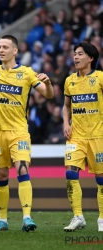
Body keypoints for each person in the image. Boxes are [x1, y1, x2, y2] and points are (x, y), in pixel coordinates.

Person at [0, 35, 53, 232]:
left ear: (15, 51)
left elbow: (48, 95)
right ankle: (3, 220)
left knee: (22, 169)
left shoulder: (26, 73)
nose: (1, 50)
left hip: (19, 132)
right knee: (0, 175)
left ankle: (27, 217)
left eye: (5, 47)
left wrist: (48, 83)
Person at [63, 42, 103, 232]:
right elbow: (66, 106)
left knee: (101, 178)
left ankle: (102, 218)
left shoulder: (100, 78)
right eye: (74, 54)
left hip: (98, 135)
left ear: (91, 58)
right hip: (76, 136)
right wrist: (65, 123)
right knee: (70, 173)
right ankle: (78, 216)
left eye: (80, 54)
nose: (76, 57)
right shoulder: (70, 80)